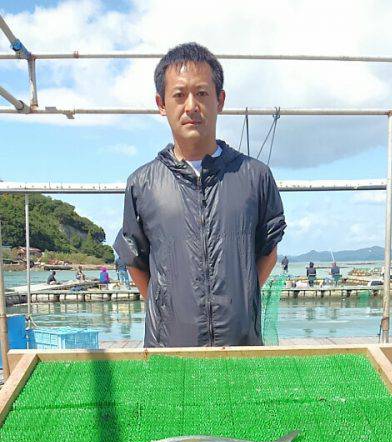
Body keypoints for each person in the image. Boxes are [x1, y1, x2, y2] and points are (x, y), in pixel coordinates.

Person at [114, 42, 286, 348]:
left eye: (202, 93)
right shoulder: (142, 183)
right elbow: (135, 262)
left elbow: (268, 251)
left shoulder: (254, 176)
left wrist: (242, 301)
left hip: (240, 349)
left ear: (220, 100)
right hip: (168, 351)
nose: (191, 106)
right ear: (161, 103)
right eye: (179, 95)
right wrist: (166, 310)